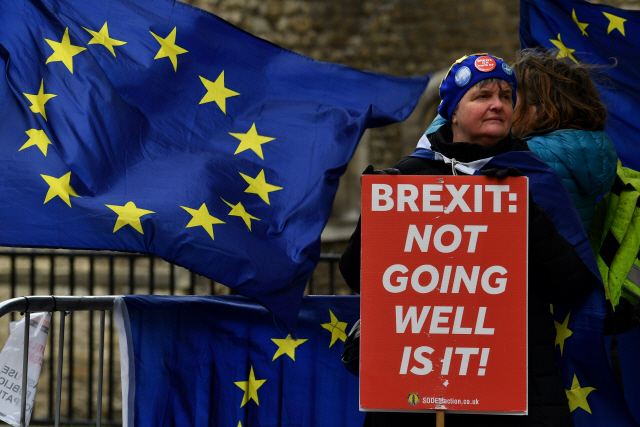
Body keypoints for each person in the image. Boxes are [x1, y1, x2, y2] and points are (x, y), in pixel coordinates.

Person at [339, 54, 601, 427]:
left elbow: (571, 284)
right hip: (418, 394)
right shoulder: (409, 176)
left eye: (507, 96)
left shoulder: (533, 179)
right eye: (482, 95)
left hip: (514, 390)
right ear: (453, 112)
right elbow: (356, 275)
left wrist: (523, 213)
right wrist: (379, 217)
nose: (498, 104)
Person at [510, 48, 618, 235]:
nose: (502, 106)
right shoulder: (585, 151)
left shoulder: (530, 156)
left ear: (541, 108)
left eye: (510, 96)